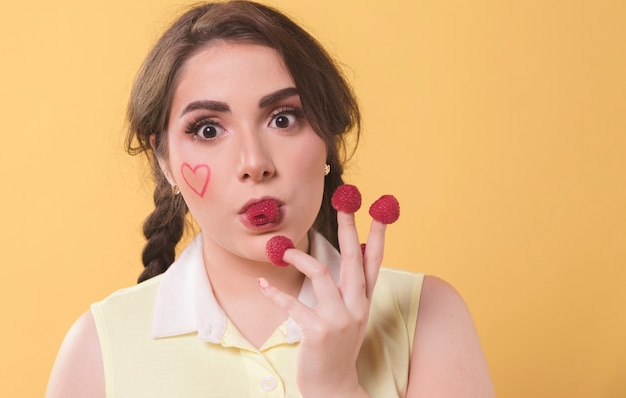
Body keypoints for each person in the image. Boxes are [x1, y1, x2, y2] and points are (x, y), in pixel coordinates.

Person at [46, 1, 495, 397]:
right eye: (207, 129)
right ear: (165, 161)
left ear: (326, 138)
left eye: (283, 119)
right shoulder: (99, 348)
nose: (254, 162)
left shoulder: (425, 315)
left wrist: (335, 388)